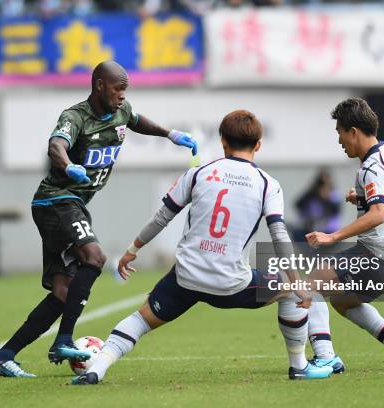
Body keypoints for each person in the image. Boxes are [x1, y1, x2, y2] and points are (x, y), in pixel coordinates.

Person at [72, 110, 334, 385]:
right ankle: (299, 366)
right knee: (293, 293)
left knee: (140, 319)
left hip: (186, 279)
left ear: (222, 141)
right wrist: (295, 282)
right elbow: (279, 235)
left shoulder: (198, 174)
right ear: (258, 145)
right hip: (232, 285)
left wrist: (132, 250)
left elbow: (162, 217)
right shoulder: (268, 184)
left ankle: (96, 369)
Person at [0, 60, 199, 378]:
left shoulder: (121, 112)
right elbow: (56, 144)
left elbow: (137, 121)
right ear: (99, 85)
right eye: (118, 89)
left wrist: (170, 134)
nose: (123, 96)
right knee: (95, 257)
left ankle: (3, 357)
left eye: (126, 90)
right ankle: (63, 340)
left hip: (74, 205)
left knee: (62, 294)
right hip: (56, 201)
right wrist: (67, 163)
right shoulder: (75, 117)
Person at [304, 98, 384, 373]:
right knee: (342, 300)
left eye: (340, 133)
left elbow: (378, 214)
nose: (339, 141)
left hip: (378, 254)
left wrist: (332, 237)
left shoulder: (370, 166)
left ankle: (325, 358)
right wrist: (364, 197)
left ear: (353, 131)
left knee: (310, 284)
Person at [291, 168, 341, 242]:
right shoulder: (311, 195)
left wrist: (325, 197)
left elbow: (336, 210)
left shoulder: (333, 194)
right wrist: (311, 191)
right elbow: (298, 205)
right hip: (309, 229)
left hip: (329, 231)